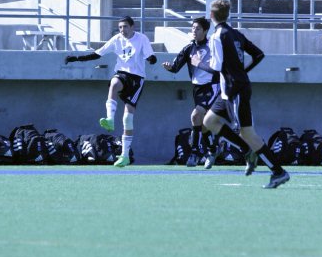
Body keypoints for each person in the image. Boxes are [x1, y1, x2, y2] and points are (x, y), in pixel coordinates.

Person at [202, 0, 290, 189]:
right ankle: (245, 149)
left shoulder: (217, 36)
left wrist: (199, 63)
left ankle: (278, 171)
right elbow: (258, 54)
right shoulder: (235, 34)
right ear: (228, 14)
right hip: (228, 90)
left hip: (235, 89)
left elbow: (216, 66)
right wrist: (243, 72)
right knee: (209, 121)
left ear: (211, 15)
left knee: (247, 132)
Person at [65, 15, 157, 167]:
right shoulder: (116, 39)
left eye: (125, 27)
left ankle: (125, 156)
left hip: (137, 80)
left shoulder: (142, 39)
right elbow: (97, 54)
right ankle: (110, 119)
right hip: (122, 74)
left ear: (132, 27)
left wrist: (152, 59)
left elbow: (150, 55)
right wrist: (76, 58)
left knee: (128, 119)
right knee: (114, 83)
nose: (122, 30)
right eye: (120, 27)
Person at [162, 17, 221, 168]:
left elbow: (218, 71)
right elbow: (176, 67)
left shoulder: (213, 47)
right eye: (193, 28)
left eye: (198, 28)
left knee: (195, 116)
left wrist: (199, 64)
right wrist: (169, 67)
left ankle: (194, 153)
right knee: (202, 124)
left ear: (206, 31)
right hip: (197, 89)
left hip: (212, 86)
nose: (194, 31)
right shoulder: (189, 48)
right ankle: (212, 150)